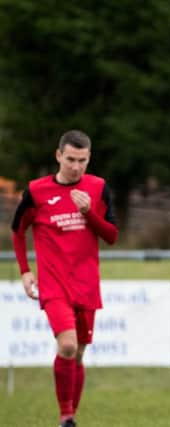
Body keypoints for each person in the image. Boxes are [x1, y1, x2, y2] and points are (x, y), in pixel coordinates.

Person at [11, 130, 118, 427]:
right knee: (68, 346)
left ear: (89, 159)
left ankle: (69, 419)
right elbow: (18, 230)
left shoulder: (98, 188)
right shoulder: (37, 191)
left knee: (79, 354)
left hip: (86, 285)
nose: (76, 166)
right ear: (58, 156)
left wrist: (89, 213)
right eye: (70, 159)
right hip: (54, 284)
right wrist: (25, 270)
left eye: (82, 161)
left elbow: (111, 236)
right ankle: (66, 414)